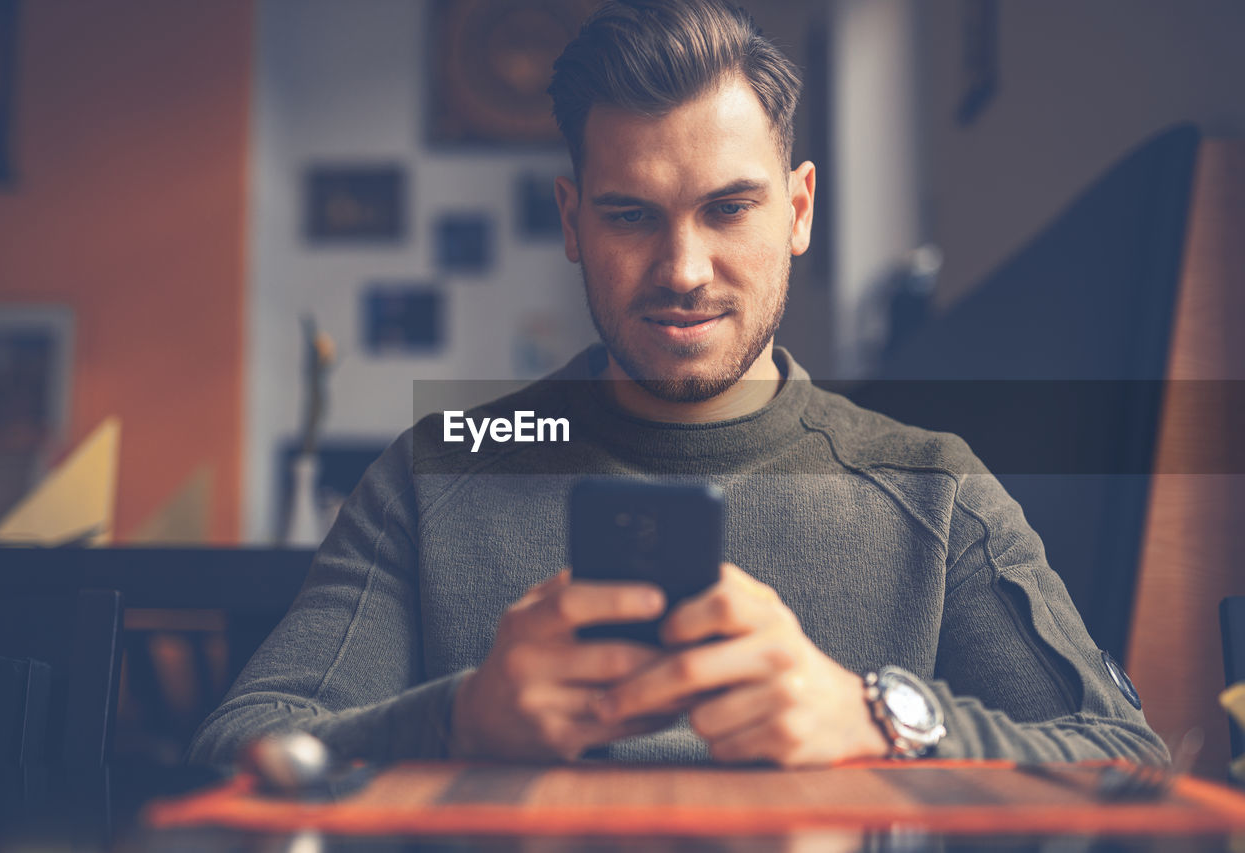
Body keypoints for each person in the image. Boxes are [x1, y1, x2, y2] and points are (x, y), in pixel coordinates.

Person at [189, 0, 1165, 768]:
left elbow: (1125, 760)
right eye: (629, 216)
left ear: (796, 208)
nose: (683, 267)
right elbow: (245, 743)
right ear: (571, 222)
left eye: (727, 208)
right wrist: (458, 716)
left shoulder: (930, 487)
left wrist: (874, 718)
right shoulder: (438, 469)